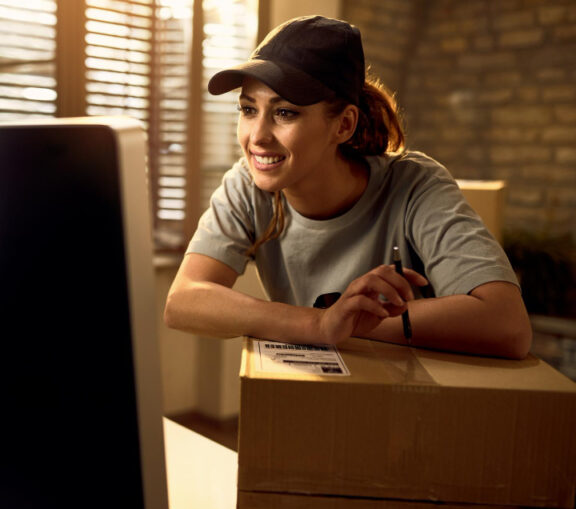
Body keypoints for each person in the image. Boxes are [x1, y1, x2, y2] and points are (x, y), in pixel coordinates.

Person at [163, 15, 532, 359]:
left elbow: (508, 324)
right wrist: (319, 325)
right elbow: (183, 302)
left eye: (284, 112)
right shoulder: (247, 186)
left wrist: (350, 323)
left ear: (343, 125)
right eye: (248, 110)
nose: (257, 137)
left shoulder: (416, 185)